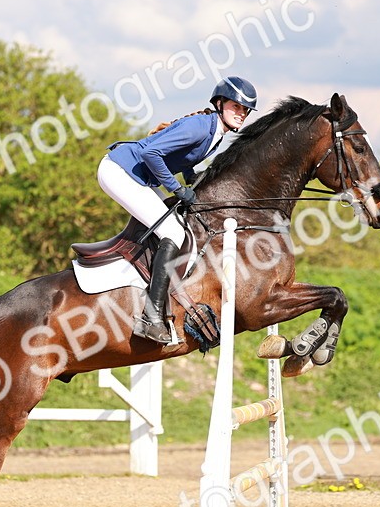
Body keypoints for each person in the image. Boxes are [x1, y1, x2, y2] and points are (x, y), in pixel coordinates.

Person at [98, 76, 260, 343]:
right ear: (220, 103)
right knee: (172, 233)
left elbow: (183, 156)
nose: (241, 114)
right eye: (236, 107)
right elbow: (152, 153)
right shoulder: (200, 127)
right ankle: (150, 318)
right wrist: (177, 188)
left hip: (137, 175)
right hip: (119, 171)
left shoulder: (215, 133)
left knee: (177, 226)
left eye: (245, 110)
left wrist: (190, 179)